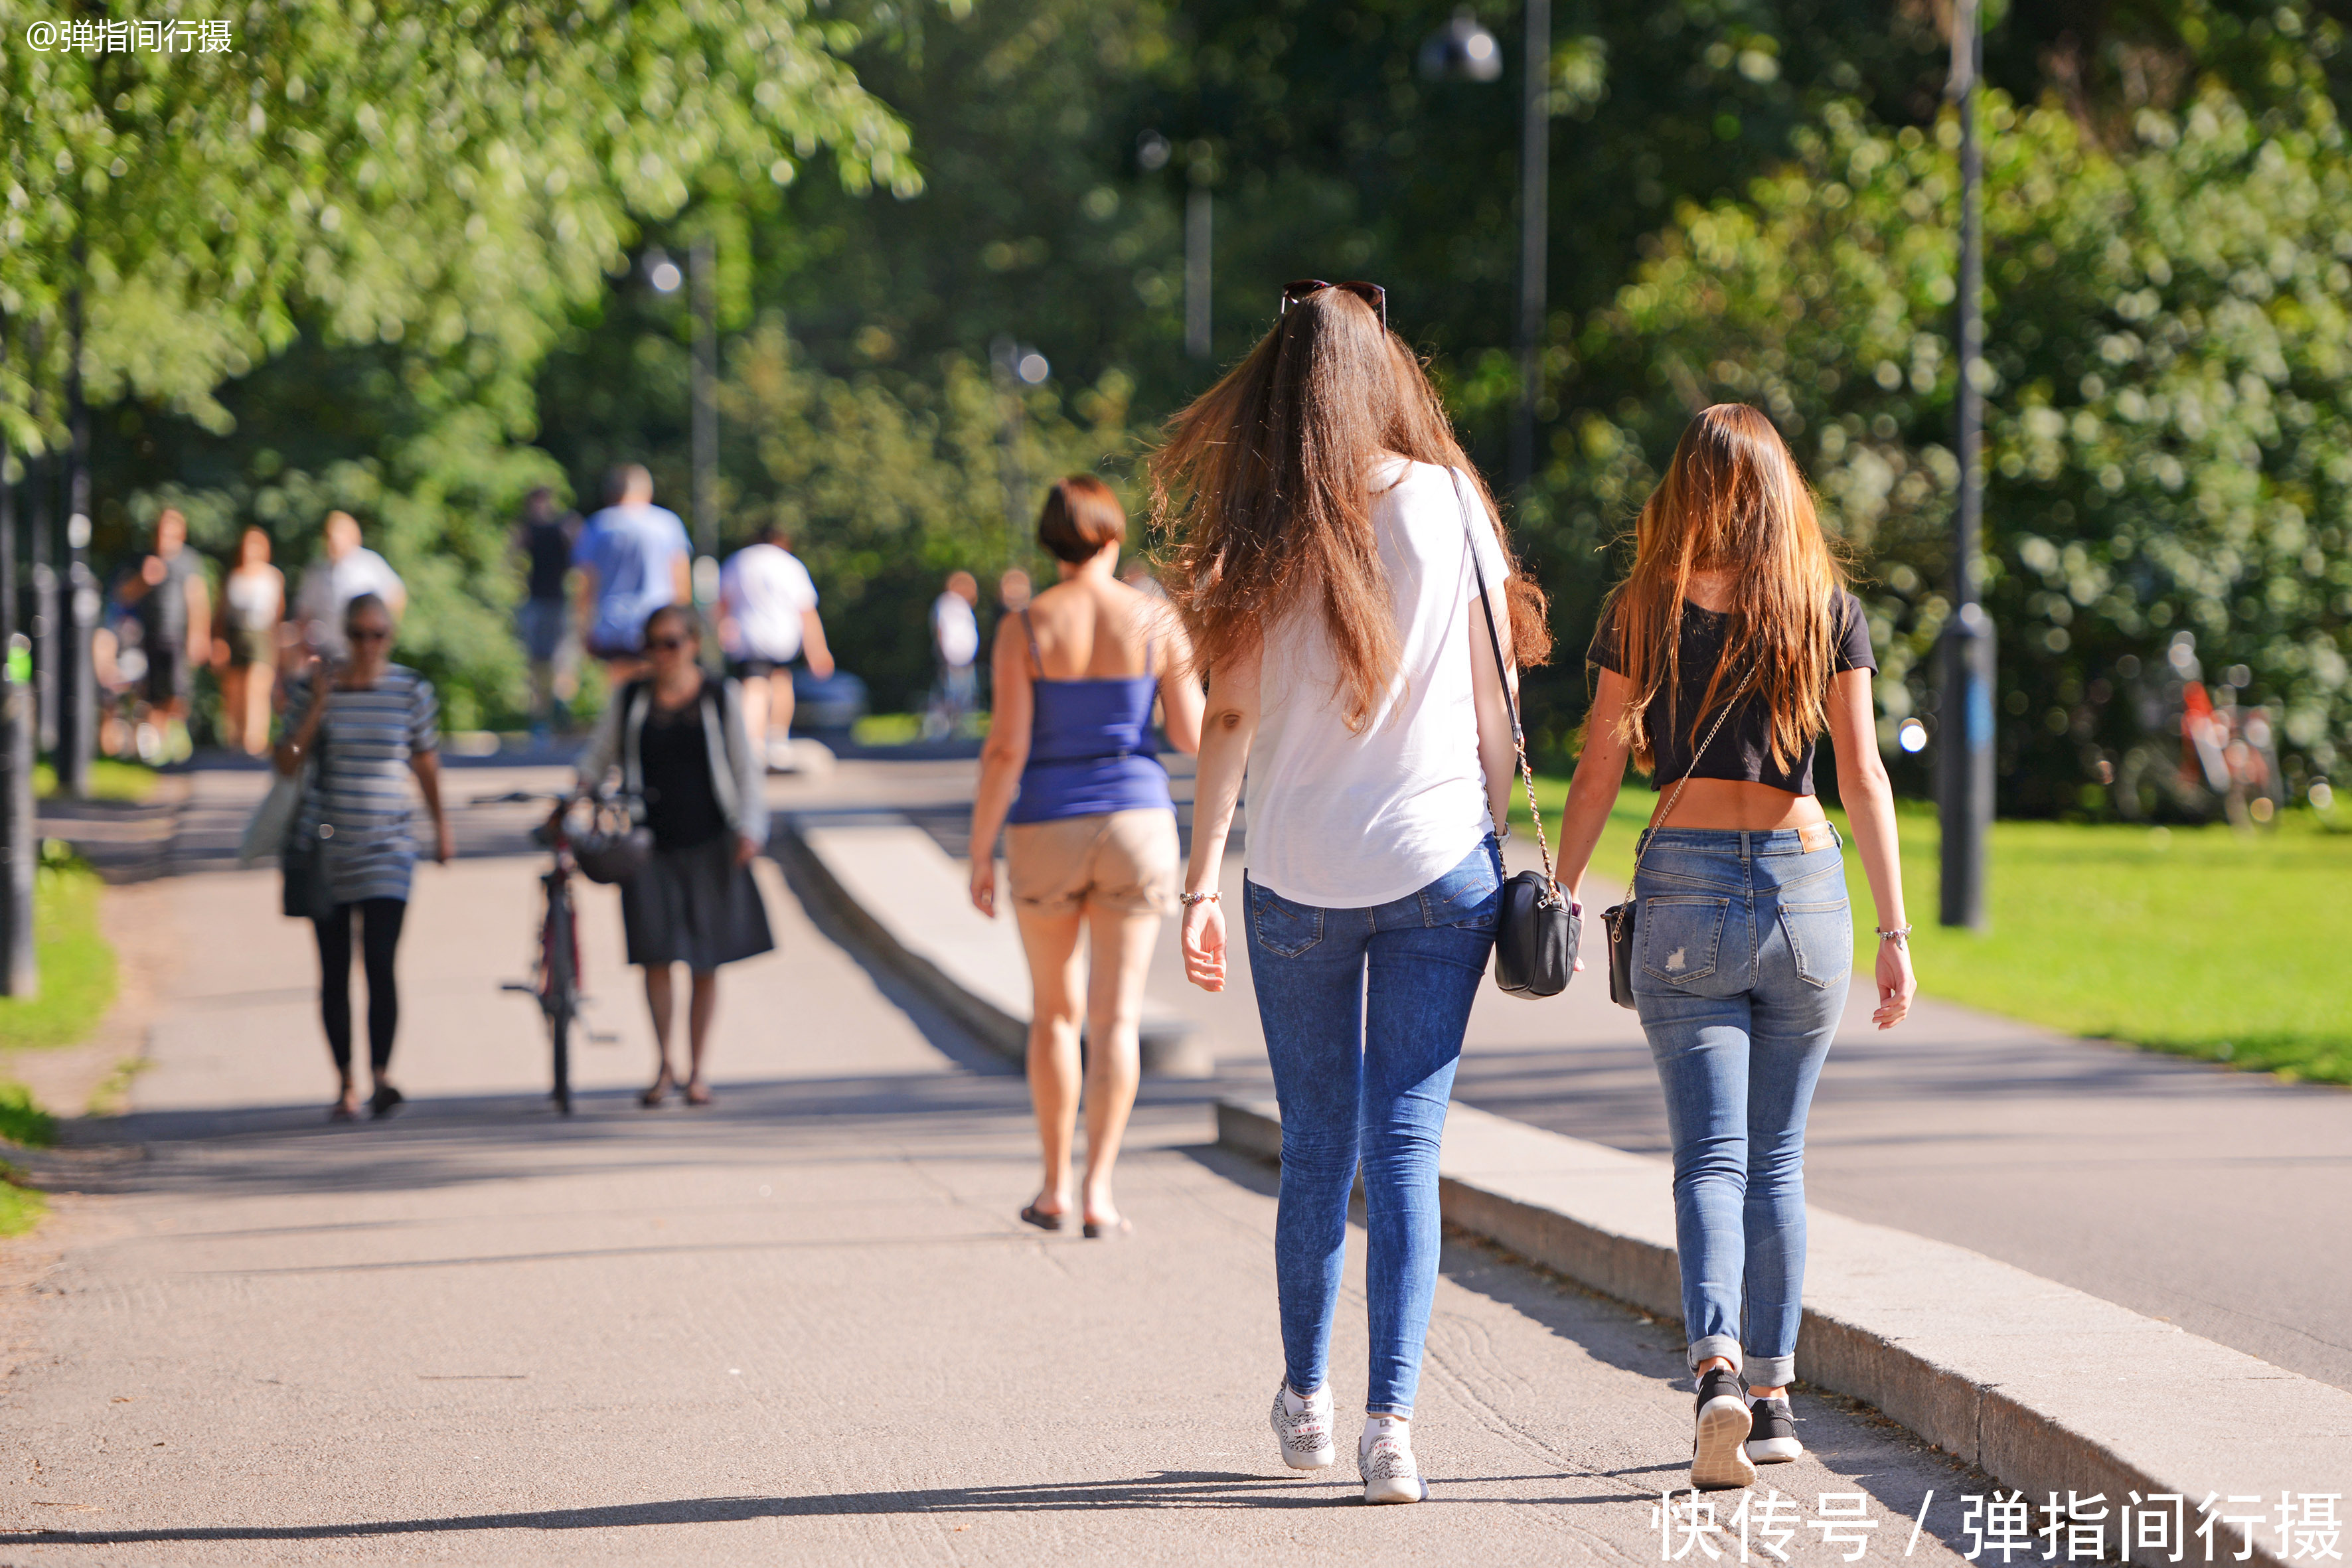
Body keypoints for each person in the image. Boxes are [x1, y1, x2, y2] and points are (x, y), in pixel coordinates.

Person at [1158, 281, 1549, 1504]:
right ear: (1383, 375)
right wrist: (1498, 841)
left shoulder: (1262, 519)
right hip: (1439, 867)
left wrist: (1196, 885)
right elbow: (1497, 707)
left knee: (1316, 1149)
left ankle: (1306, 1399)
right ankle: (1392, 1424)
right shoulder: (1450, 502)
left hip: (1291, 875)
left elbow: (1223, 714)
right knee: (1408, 1149)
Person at [1552, 403, 1915, 1492]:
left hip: (1682, 886)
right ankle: (1771, 1400)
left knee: (1707, 1157)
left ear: (1681, 491)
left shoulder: (1641, 606)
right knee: (1777, 1159)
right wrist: (1893, 930)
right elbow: (1861, 777)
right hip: (1805, 893)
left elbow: (1597, 772)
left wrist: (1559, 892)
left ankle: (1711, 1366)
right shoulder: (1824, 607)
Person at [967, 477, 1205, 1240]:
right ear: (1111, 535)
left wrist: (979, 849)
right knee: (1117, 1018)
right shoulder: (1155, 618)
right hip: (1138, 824)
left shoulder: (1025, 625)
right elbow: (1193, 736)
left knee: (1055, 1014)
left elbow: (1006, 748)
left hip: (1045, 828)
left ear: (1048, 541)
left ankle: (1053, 1184)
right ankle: (1101, 1189)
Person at [575, 605, 772, 1109]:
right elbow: (599, 758)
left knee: (705, 960)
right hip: (647, 844)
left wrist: (751, 829)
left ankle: (698, 1069)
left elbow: (745, 770)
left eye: (673, 642)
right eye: (654, 644)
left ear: (692, 644)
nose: (663, 653)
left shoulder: (717, 698)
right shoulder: (632, 699)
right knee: (656, 956)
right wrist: (579, 794)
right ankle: (665, 1063)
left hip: (710, 839)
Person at [274, 593, 450, 1123]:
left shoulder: (410, 690)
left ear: (389, 637)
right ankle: (345, 1082)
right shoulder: (314, 688)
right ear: (344, 636)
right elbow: (286, 762)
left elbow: (424, 762)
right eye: (358, 635)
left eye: (378, 635)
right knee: (333, 970)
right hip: (325, 843)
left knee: (379, 961)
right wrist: (319, 707)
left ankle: (381, 1077)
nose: (368, 646)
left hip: (389, 844)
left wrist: (442, 827)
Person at [717, 522, 835, 769]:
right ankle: (777, 739)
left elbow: (722, 603)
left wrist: (721, 631)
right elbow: (806, 611)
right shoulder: (789, 564)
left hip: (748, 636)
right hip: (782, 637)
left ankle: (753, 743)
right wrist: (817, 650)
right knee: (781, 682)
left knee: (753, 687)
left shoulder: (738, 561)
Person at [574, 465, 691, 682]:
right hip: (659, 625)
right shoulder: (667, 524)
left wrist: (582, 629)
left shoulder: (598, 525)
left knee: (617, 698)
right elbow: (681, 579)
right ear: (647, 491)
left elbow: (585, 582)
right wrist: (684, 627)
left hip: (611, 626)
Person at [116, 508, 210, 761]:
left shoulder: (188, 561)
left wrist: (199, 636)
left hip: (178, 637)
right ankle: (158, 747)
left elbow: (198, 601)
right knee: (152, 694)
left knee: (178, 692)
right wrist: (145, 579)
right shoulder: (143, 560)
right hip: (149, 636)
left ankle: (174, 739)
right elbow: (124, 595)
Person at [513, 487, 580, 742]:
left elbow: (581, 555)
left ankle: (561, 712)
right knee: (536, 664)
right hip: (535, 602)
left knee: (562, 662)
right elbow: (511, 556)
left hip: (559, 603)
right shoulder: (528, 529)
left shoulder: (563, 526)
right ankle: (540, 719)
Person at [292, 512, 406, 661]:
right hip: (328, 650)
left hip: (363, 649)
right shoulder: (317, 571)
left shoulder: (369, 564)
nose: (334, 540)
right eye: (330, 535)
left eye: (339, 534)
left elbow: (397, 594)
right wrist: (305, 645)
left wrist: (384, 635)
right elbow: (304, 612)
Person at [214, 526, 285, 757]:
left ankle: (254, 741)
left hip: (261, 637)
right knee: (234, 690)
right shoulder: (233, 577)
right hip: (235, 637)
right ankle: (234, 740)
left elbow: (277, 616)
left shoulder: (272, 577)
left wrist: (277, 648)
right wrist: (219, 643)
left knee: (256, 688)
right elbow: (221, 615)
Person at [926, 571, 981, 738]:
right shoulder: (947, 602)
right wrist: (944, 654)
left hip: (965, 659)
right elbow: (942, 629)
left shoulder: (961, 605)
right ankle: (945, 728)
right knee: (951, 695)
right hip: (952, 659)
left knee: (965, 694)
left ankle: (960, 727)